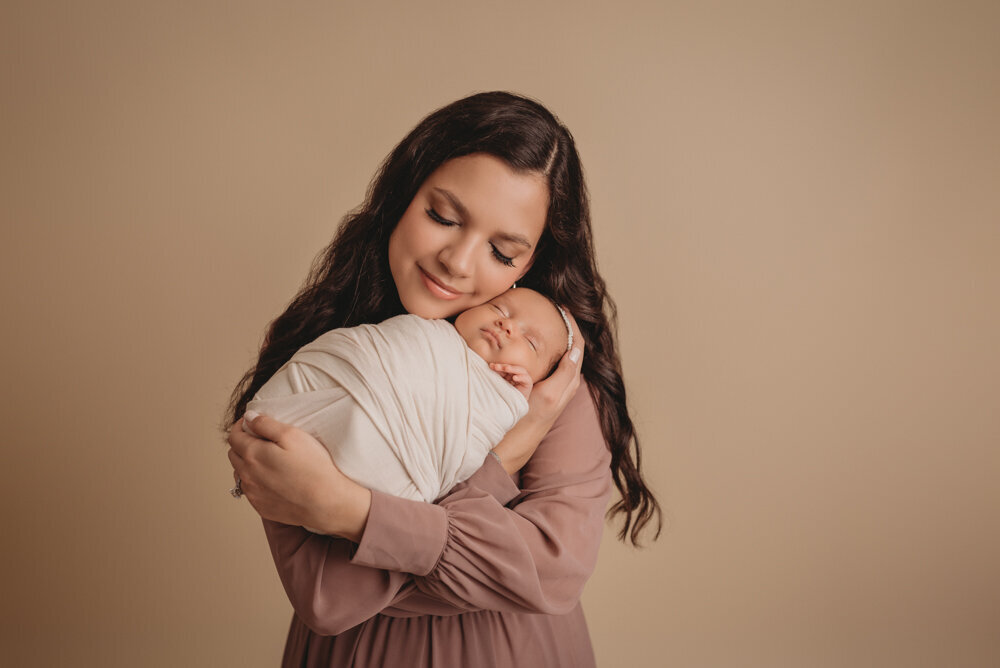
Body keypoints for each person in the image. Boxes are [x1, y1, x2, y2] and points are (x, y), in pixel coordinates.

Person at [224, 91, 661, 667]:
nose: (458, 262)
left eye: (503, 252)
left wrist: (352, 513)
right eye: (443, 217)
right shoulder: (319, 352)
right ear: (402, 199)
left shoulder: (545, 377)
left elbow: (551, 576)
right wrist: (501, 464)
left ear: (528, 265)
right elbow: (328, 597)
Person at [240, 288, 574, 514]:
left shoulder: (503, 401)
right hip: (342, 392)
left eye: (530, 342)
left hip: (401, 472)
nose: (507, 325)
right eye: (499, 308)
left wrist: (513, 401)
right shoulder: (427, 332)